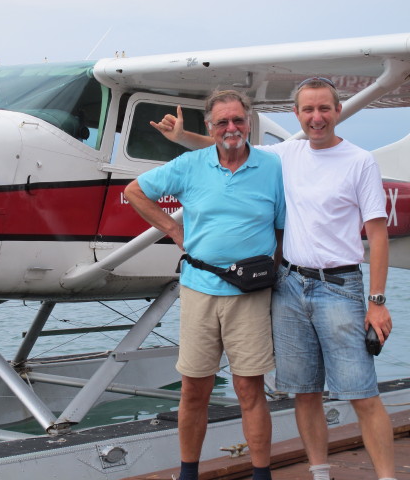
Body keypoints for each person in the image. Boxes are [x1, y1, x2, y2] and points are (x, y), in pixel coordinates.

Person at [151, 78, 396, 480]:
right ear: (297, 115)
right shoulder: (286, 154)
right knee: (305, 391)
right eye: (307, 110)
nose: (316, 118)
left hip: (339, 286)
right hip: (288, 285)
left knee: (362, 393)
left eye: (324, 109)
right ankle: (320, 473)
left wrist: (378, 301)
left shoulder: (360, 161)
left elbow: (378, 232)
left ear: (338, 111)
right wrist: (182, 136)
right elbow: (230, 144)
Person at [125, 90, 285, 480]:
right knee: (194, 389)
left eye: (238, 121)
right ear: (210, 128)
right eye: (222, 122)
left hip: (249, 296)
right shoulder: (190, 164)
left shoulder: (272, 167)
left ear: (248, 123)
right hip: (199, 290)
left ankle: (261, 474)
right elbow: (134, 191)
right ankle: (188, 473)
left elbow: (281, 229)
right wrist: (172, 229)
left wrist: (270, 277)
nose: (232, 128)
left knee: (250, 390)